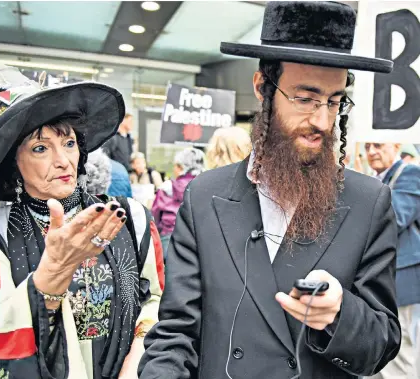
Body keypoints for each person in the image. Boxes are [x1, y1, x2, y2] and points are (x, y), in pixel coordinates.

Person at [138, 2, 401, 378]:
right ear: (263, 87)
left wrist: (339, 317)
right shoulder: (203, 197)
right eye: (306, 99)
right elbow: (175, 332)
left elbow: (383, 343)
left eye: (334, 101)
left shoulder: (369, 202)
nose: (323, 121)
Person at [0, 41, 164, 379]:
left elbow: (156, 301)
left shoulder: (130, 217)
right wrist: (52, 275)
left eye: (69, 143)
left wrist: (137, 364)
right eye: (40, 148)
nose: (63, 161)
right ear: (13, 164)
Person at [365, 142, 420, 379]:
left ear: (396, 145)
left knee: (401, 356)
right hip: (380, 282)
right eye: (367, 146)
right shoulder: (375, 179)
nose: (372, 151)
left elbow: (395, 219)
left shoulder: (410, 173)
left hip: (403, 281)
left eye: (378, 145)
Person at [151, 148, 205, 260]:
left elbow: (155, 216)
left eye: (175, 166)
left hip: (169, 239)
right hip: (200, 241)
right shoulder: (207, 186)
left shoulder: (167, 187)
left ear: (181, 167)